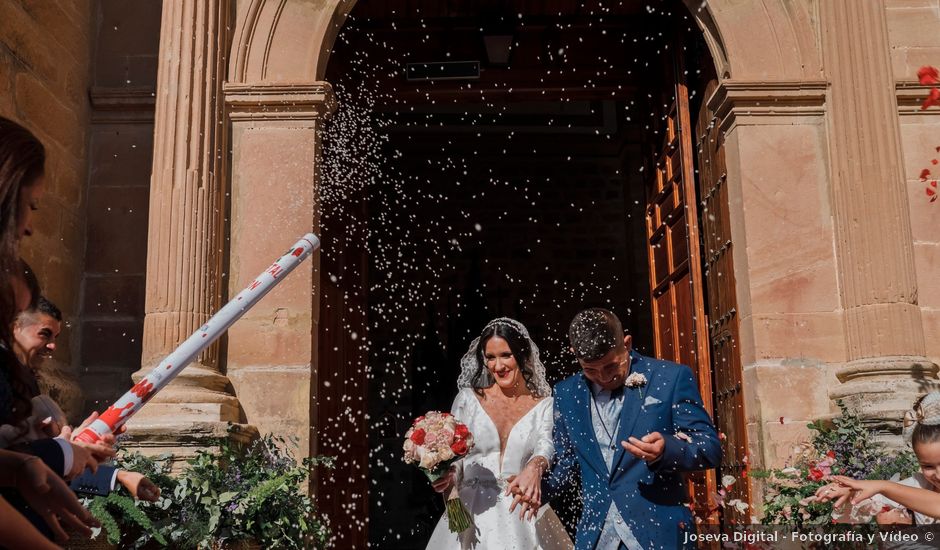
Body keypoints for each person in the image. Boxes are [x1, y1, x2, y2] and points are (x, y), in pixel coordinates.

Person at [528, 308, 721, 550]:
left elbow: (709, 447)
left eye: (611, 367)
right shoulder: (566, 393)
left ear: (627, 344)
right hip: (597, 537)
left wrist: (666, 450)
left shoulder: (669, 377)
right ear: (574, 354)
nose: (603, 378)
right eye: (591, 370)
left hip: (658, 533)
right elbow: (567, 464)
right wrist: (535, 490)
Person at [425, 317, 573, 550]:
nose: (498, 366)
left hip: (521, 512)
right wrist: (447, 474)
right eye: (490, 358)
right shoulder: (468, 400)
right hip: (473, 513)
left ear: (523, 355)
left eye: (506, 355)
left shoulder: (545, 405)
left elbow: (546, 444)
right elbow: (457, 457)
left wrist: (535, 466)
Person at [817, 392, 940, 524]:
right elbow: (878, 494)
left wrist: (883, 486)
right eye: (928, 466)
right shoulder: (919, 484)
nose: (938, 475)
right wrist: (849, 490)